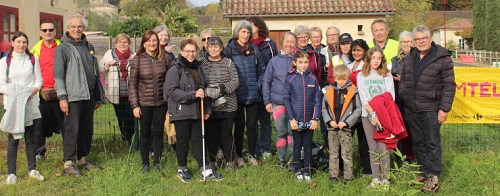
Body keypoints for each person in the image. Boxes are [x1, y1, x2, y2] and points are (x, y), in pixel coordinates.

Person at [399, 25, 456, 193]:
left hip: (431, 107)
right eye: (418, 39)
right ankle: (424, 171)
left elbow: (449, 86)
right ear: (414, 41)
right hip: (412, 108)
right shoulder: (410, 57)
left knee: (432, 143)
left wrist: (444, 109)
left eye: (424, 38)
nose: (421, 41)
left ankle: (434, 175)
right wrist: (404, 95)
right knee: (418, 143)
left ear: (430, 39)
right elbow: (404, 80)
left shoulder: (442, 58)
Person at [165, 38, 223, 183]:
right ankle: (182, 169)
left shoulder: (198, 68)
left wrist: (207, 108)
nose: (191, 54)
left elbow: (203, 89)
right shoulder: (175, 69)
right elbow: (171, 91)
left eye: (193, 51)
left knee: (199, 141)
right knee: (183, 141)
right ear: (181, 52)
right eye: (187, 51)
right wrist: (192, 95)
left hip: (198, 111)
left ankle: (205, 170)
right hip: (181, 111)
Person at [54, 15, 106, 177]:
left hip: (89, 96)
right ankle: (68, 162)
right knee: (72, 129)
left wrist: (97, 96)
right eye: (73, 27)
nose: (76, 30)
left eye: (80, 26)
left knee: (86, 129)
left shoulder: (88, 46)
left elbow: (95, 72)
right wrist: (62, 97)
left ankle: (83, 158)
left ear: (84, 28)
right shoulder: (63, 48)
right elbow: (58, 76)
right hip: (72, 98)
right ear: (68, 29)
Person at [0, 31, 44, 185]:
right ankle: (11, 173)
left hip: (30, 103)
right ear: (12, 43)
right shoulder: (5, 61)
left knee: (31, 138)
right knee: (13, 140)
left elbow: (38, 80)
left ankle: (32, 169)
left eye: (24, 42)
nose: (21, 45)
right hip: (13, 105)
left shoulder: (32, 59)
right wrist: (17, 94)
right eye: (18, 42)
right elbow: (2, 84)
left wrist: (30, 92)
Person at [128, 30, 171, 172]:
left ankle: (157, 162)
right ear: (144, 43)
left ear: (158, 42)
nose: (152, 43)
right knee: (145, 132)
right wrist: (135, 105)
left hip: (161, 102)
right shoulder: (138, 59)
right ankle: (145, 163)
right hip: (144, 103)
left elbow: (174, 73)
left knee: (158, 132)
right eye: (149, 41)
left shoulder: (164, 57)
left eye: (154, 40)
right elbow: (132, 84)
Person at [224, 20, 265, 167]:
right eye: (243, 32)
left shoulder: (254, 49)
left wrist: (258, 85)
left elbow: (262, 69)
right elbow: (225, 71)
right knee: (239, 126)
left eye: (248, 32)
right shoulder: (229, 50)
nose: (246, 35)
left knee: (253, 126)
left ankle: (252, 155)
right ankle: (239, 155)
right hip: (237, 95)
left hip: (253, 94)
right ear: (237, 33)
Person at [356, 47, 395, 190]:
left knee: (383, 148)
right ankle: (376, 177)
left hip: (384, 116)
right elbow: (364, 97)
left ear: (382, 60)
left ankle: (386, 178)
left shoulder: (387, 75)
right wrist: (372, 115)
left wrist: (380, 115)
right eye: (373, 58)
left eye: (379, 58)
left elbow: (390, 97)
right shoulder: (362, 76)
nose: (376, 61)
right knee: (373, 148)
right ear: (369, 59)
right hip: (368, 116)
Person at [284, 50, 322, 183]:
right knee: (296, 145)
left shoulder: (313, 78)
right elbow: (286, 100)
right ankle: (298, 170)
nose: (303, 65)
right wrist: (291, 119)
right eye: (300, 62)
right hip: (296, 120)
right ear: (295, 63)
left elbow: (318, 100)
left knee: (307, 145)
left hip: (310, 121)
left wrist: (315, 118)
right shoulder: (290, 78)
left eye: (306, 62)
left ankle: (307, 170)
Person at [201, 36, 239, 170]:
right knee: (212, 134)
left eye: (216, 46)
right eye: (210, 46)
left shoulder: (228, 63)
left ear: (222, 48)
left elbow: (235, 81)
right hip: (210, 106)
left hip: (228, 105)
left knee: (227, 134)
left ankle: (229, 161)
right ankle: (212, 161)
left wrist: (221, 89)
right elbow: (200, 82)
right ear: (206, 48)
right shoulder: (202, 64)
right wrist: (208, 92)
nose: (213, 49)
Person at [262, 31, 297, 170]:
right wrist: (267, 101)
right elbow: (266, 81)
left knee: (293, 133)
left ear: (295, 44)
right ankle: (281, 160)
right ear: (282, 43)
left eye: (292, 42)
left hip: (295, 104)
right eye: (287, 41)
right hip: (278, 103)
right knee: (281, 132)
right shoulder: (274, 61)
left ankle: (293, 161)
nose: (289, 44)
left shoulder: (299, 59)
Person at [321, 65, 361, 184]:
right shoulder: (328, 90)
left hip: (346, 128)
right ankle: (334, 175)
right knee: (333, 152)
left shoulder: (353, 91)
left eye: (344, 79)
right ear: (334, 78)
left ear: (348, 78)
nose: (342, 82)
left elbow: (357, 109)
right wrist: (329, 121)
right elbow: (324, 108)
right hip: (332, 127)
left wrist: (347, 122)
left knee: (346, 153)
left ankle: (348, 176)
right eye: (339, 79)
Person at [30, 20, 64, 160]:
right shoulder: (34, 50)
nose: (48, 32)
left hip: (61, 93)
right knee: (40, 125)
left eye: (50, 30)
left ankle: (69, 154)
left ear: (55, 32)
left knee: (65, 124)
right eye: (44, 30)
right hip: (42, 94)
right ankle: (39, 153)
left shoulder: (63, 47)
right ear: (40, 33)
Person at [246, 16, 277, 159]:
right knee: (251, 122)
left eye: (253, 25)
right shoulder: (244, 44)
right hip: (250, 88)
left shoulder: (269, 43)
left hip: (266, 87)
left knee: (265, 121)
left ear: (259, 26)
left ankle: (266, 149)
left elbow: (274, 63)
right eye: (248, 25)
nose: (251, 27)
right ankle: (253, 149)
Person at [99, 33, 136, 144]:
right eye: (120, 42)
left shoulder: (134, 55)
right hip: (115, 92)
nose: (122, 44)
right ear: (116, 43)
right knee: (120, 116)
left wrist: (136, 61)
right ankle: (124, 137)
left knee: (130, 116)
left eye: (125, 42)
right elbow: (101, 67)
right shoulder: (110, 54)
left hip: (130, 93)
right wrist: (108, 64)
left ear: (129, 44)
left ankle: (129, 136)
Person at [294, 25, 326, 147]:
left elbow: (317, 74)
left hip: (311, 90)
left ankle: (310, 149)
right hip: (297, 92)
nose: (303, 39)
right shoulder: (294, 53)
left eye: (305, 36)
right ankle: (297, 150)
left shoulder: (315, 54)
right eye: (300, 36)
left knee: (311, 119)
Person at [345, 39, 373, 177]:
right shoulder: (349, 66)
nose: (356, 53)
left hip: (363, 107)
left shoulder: (368, 66)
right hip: (349, 108)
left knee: (364, 140)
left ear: (364, 51)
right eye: (354, 50)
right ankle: (346, 169)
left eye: (359, 50)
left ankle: (367, 169)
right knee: (347, 139)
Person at [391, 31, 416, 163]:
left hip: (413, 98)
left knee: (412, 129)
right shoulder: (395, 59)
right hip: (398, 97)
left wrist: (403, 78)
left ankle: (414, 157)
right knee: (400, 128)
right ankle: (401, 158)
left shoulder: (417, 57)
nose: (406, 44)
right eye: (403, 42)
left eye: (408, 41)